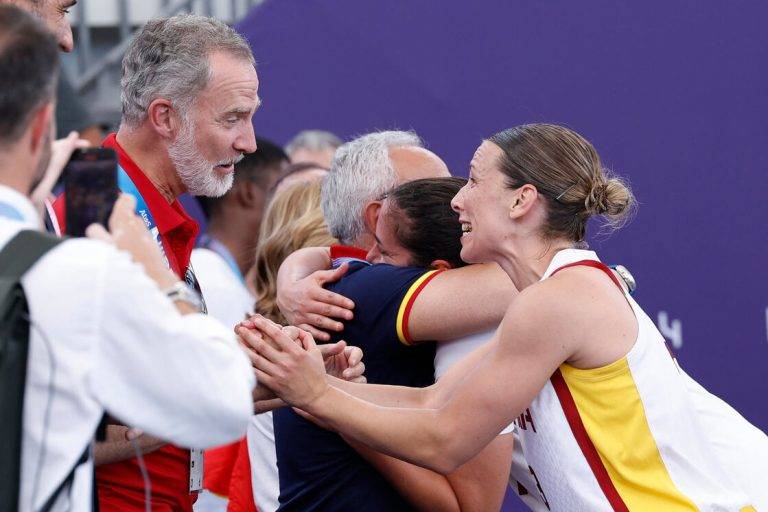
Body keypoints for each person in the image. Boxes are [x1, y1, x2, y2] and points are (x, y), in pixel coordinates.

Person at [247, 124, 761, 511]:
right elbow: (436, 401)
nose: (456, 200)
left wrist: (316, 394)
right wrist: (327, 388)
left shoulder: (558, 299)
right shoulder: (549, 295)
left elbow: (446, 438)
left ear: (521, 201)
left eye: (471, 181)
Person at [0, 7, 255, 511]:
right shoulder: (79, 217)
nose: (248, 141)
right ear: (164, 117)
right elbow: (207, 395)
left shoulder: (146, 214)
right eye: (233, 119)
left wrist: (302, 377)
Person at [193, 138, 289, 327]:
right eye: (285, 191)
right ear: (249, 193)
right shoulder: (214, 285)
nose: (294, 207)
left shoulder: (211, 275)